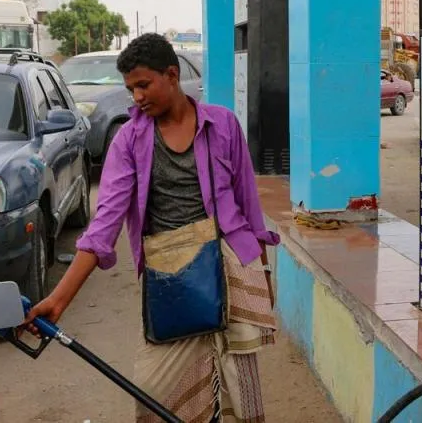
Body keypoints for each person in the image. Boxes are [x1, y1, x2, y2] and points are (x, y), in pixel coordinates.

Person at [24, 33, 280, 422]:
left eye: (144, 84)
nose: (137, 96)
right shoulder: (128, 142)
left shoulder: (223, 125)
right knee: (155, 396)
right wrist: (58, 300)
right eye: (131, 89)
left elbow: (249, 206)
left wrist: (263, 272)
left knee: (241, 391)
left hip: (234, 268)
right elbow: (103, 228)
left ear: (172, 75)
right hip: (172, 277)